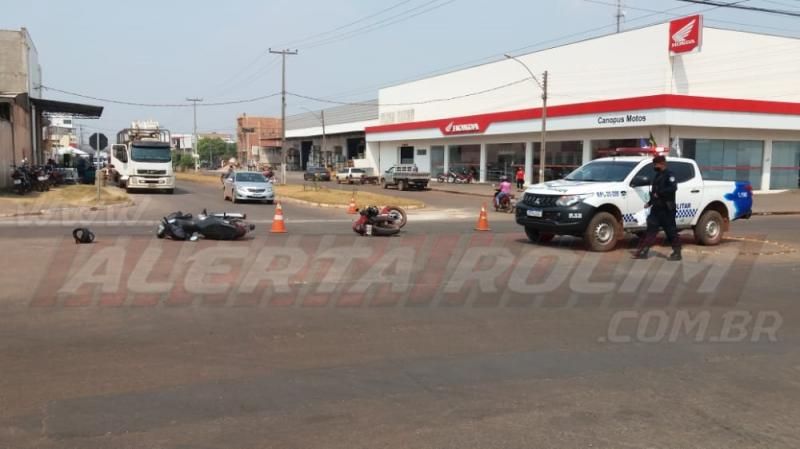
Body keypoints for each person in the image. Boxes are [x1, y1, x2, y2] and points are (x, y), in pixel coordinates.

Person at [633, 155, 682, 261]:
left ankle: (677, 253)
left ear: (662, 164)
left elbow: (673, 188)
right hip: (656, 208)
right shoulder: (658, 175)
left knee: (671, 231)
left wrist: (660, 193)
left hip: (667, 209)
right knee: (651, 229)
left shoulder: (669, 175)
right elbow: (654, 192)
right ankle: (644, 251)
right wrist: (649, 203)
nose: (654, 167)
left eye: (656, 164)